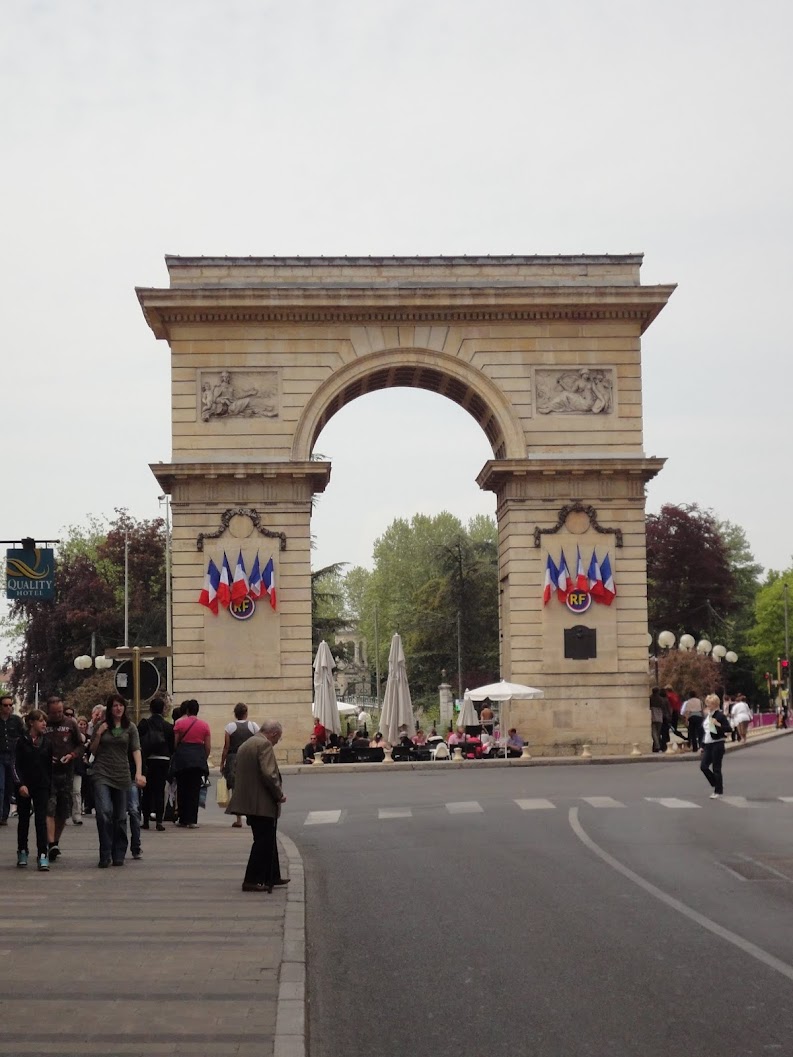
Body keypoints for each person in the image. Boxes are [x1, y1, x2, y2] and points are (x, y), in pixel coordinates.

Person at [226, 719, 288, 892]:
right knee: (263, 841)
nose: (276, 743)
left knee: (267, 839)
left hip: (249, 800)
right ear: (274, 734)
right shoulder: (264, 745)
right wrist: (279, 794)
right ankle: (252, 879)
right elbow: (269, 774)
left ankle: (272, 875)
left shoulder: (247, 743)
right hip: (261, 801)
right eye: (278, 739)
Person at [90, 694, 145, 867]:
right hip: (102, 773)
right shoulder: (101, 725)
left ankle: (118, 852)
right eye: (114, 706)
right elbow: (93, 750)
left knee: (121, 816)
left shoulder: (130, 728)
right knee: (104, 812)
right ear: (109, 708)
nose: (118, 708)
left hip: (122, 774)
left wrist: (139, 772)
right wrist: (98, 734)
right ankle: (105, 853)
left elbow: (136, 750)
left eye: (121, 705)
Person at [44, 695, 84, 863]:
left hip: (67, 772)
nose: (58, 715)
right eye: (54, 713)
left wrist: (72, 755)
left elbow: (81, 745)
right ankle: (51, 843)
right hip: (48, 773)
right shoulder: (44, 724)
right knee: (49, 808)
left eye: (60, 711)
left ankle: (56, 841)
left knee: (63, 811)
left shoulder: (70, 724)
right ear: (48, 712)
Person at [13, 709, 52, 870]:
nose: (44, 724)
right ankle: (22, 850)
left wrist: (49, 785)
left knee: (41, 820)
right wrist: (20, 784)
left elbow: (50, 766)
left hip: (41, 785)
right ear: (31, 722)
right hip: (25, 785)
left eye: (45, 721)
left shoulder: (47, 743)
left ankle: (43, 853)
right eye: (41, 721)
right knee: (23, 819)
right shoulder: (21, 742)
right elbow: (15, 765)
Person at [172, 699, 211, 828]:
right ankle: (192, 820)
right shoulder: (205, 726)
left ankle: (182, 819)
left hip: (183, 759)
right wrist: (202, 757)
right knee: (194, 790)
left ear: (187, 710)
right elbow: (208, 746)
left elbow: (175, 743)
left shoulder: (180, 724)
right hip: (197, 759)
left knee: (182, 788)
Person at [220, 703, 259, 828]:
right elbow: (258, 742)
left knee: (235, 789)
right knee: (249, 787)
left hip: (233, 758)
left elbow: (226, 747)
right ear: (246, 713)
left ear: (235, 713)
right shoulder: (253, 726)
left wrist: (222, 762)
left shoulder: (230, 727)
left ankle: (238, 819)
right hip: (249, 758)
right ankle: (250, 815)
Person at [138, 698, 174, 831]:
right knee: (159, 790)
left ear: (150, 709)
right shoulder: (168, 726)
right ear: (163, 709)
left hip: (148, 760)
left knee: (147, 790)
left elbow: (137, 741)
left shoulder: (144, 724)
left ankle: (146, 820)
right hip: (163, 759)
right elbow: (172, 746)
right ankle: (159, 821)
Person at [700, 693, 731, 799]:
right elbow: (707, 732)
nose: (708, 706)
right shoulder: (708, 715)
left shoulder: (720, 715)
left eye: (710, 704)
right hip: (708, 744)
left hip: (718, 743)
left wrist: (719, 725)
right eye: (707, 704)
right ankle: (717, 783)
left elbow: (728, 728)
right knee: (703, 766)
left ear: (715, 704)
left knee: (716, 768)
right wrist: (702, 745)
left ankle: (718, 791)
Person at [0, 695, 24, 826]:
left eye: (10, 705)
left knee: (9, 787)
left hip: (13, 756)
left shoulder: (16, 720)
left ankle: (4, 815)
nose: (8, 707)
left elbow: (23, 735)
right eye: (5, 705)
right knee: (1, 786)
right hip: (0, 755)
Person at [71, 717, 89, 824]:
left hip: (77, 767)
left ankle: (77, 815)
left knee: (77, 791)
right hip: (65, 766)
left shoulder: (81, 737)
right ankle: (62, 815)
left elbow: (82, 741)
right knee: (65, 792)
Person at [649, 689, 665, 753]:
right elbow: (663, 707)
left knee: (654, 732)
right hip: (659, 716)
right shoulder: (661, 699)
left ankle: (657, 746)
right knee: (657, 733)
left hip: (653, 715)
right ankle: (657, 746)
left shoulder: (650, 698)